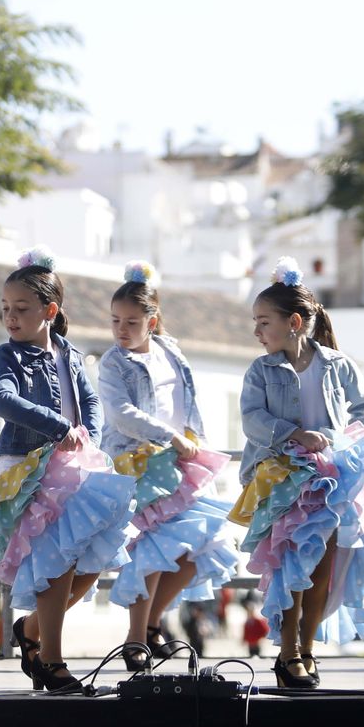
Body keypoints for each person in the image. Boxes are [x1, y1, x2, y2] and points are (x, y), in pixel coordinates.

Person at [0, 246, 136, 693]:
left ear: (50, 310)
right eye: (6, 309)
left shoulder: (69, 354)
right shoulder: (8, 357)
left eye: (22, 308)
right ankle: (52, 661)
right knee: (55, 560)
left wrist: (91, 438)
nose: (11, 317)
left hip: (73, 465)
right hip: (28, 467)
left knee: (91, 560)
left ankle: (32, 633)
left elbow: (93, 402)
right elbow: (1, 400)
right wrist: (60, 425)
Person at [228, 257, 364, 690]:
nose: (257, 331)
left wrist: (341, 440)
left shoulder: (339, 365)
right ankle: (286, 653)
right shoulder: (260, 371)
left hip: (333, 478)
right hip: (285, 480)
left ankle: (307, 651)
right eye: (256, 322)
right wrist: (295, 434)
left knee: (322, 566)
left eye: (264, 322)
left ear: (295, 322)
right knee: (289, 566)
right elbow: (252, 420)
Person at [98, 260, 238, 669]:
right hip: (139, 463)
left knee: (203, 543)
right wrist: (168, 435)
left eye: (132, 322)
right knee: (151, 549)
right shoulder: (112, 363)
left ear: (152, 321)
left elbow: (188, 402)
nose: (121, 330)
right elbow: (120, 413)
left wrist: (195, 442)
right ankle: (136, 638)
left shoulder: (170, 352)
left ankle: (153, 625)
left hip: (182, 463)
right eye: (115, 321)